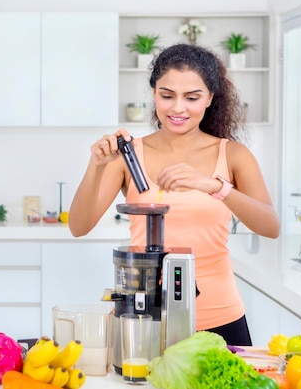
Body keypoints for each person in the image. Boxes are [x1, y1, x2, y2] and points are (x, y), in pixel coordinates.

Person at [68, 43, 280, 346]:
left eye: (191, 97)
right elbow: (79, 226)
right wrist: (96, 166)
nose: (178, 108)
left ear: (209, 98)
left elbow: (270, 226)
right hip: (144, 320)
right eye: (167, 96)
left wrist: (215, 186)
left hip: (219, 316)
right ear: (154, 94)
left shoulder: (232, 155)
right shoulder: (128, 156)